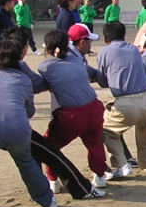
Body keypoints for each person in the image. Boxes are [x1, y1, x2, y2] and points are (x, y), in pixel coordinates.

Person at [0, 39, 58, 207]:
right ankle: (47, 201)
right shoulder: (24, 79)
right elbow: (29, 111)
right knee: (26, 161)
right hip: (18, 131)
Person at [38, 30, 106, 193]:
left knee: (50, 145)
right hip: (94, 107)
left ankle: (52, 180)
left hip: (72, 115)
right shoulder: (77, 60)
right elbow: (91, 73)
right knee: (95, 143)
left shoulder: (45, 66)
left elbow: (38, 85)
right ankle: (100, 176)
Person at [96, 22, 146, 181]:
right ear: (124, 36)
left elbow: (103, 81)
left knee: (107, 131)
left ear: (105, 38)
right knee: (144, 131)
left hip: (126, 103)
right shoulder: (133, 49)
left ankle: (122, 164)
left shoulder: (104, 51)